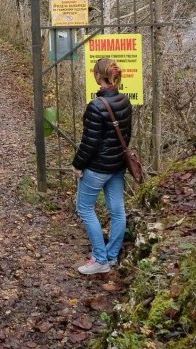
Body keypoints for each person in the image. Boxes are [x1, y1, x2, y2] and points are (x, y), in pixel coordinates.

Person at [72, 58, 132, 275]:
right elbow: (126, 136)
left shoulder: (96, 106)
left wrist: (78, 165)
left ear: (98, 76)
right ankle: (112, 256)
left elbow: (89, 142)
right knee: (117, 210)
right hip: (117, 166)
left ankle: (100, 258)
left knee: (85, 208)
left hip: (98, 168)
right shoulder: (124, 100)